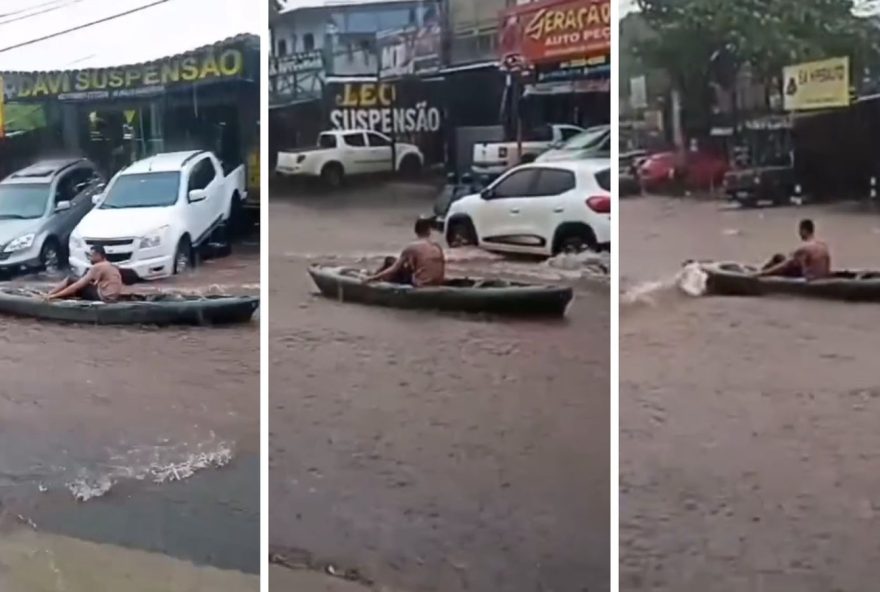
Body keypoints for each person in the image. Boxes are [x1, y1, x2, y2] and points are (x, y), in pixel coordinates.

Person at [365, 218, 445, 287]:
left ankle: (375, 276)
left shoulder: (412, 247)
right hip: (436, 282)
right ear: (429, 231)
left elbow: (394, 269)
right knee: (401, 263)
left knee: (389, 261)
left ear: (416, 231)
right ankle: (375, 275)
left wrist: (372, 278)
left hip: (421, 283)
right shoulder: (437, 246)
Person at [757, 218, 831, 280]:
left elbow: (785, 265)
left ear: (804, 231)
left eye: (800, 230)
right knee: (782, 258)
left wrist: (763, 274)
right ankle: (760, 269)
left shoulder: (803, 248)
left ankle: (760, 271)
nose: (799, 233)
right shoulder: (823, 245)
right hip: (822, 276)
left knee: (777, 258)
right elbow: (827, 262)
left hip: (810, 278)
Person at [47, 245, 123, 302]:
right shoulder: (109, 264)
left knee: (71, 280)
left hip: (104, 297)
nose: (90, 258)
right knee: (82, 282)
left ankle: (51, 294)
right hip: (112, 296)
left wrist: (54, 296)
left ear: (98, 255)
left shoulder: (98, 266)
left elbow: (78, 285)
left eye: (91, 255)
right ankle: (53, 294)